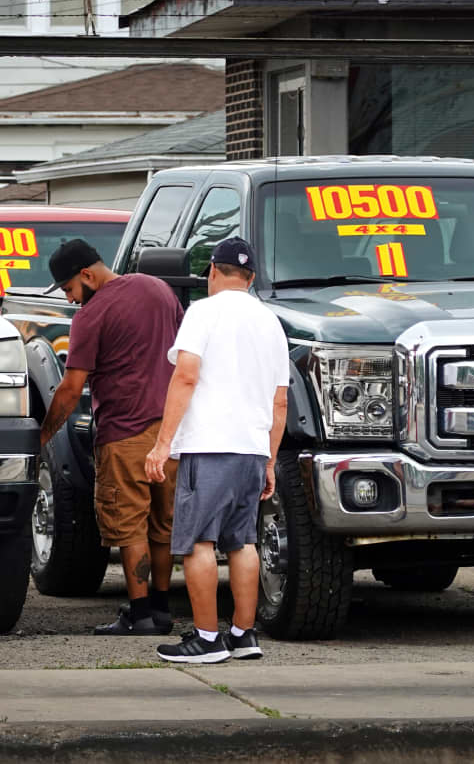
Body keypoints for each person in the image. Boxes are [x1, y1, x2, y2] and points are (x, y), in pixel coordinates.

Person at [144, 237, 289, 664]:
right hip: (250, 449)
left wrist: (163, 443)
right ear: (252, 277)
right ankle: (244, 635)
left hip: (209, 447)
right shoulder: (271, 322)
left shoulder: (203, 312)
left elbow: (186, 376)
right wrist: (268, 458)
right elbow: (280, 400)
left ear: (212, 271)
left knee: (197, 544)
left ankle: (207, 639)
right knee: (243, 542)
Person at [40, 238, 184, 635]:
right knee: (162, 524)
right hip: (171, 433)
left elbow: (71, 388)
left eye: (69, 289)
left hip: (124, 434)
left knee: (129, 525)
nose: (70, 299)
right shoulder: (159, 289)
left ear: (87, 275)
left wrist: (43, 436)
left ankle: (138, 615)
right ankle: (160, 610)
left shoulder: (92, 315)